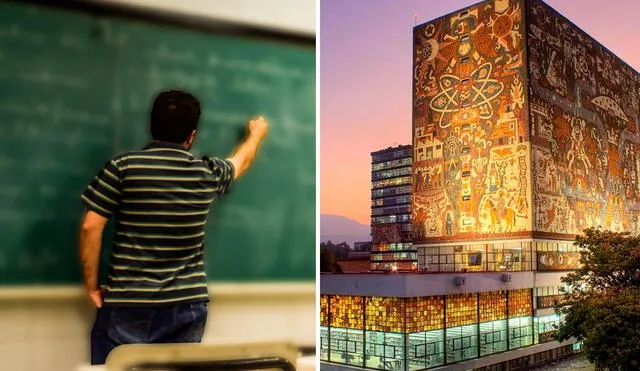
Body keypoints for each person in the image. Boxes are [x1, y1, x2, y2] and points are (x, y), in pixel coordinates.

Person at [77, 90, 268, 365]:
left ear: (151, 126)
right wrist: (256, 133)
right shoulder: (206, 172)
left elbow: (90, 226)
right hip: (187, 305)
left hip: (130, 302)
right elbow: (242, 162)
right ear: (191, 135)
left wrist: (92, 286)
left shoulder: (122, 168)